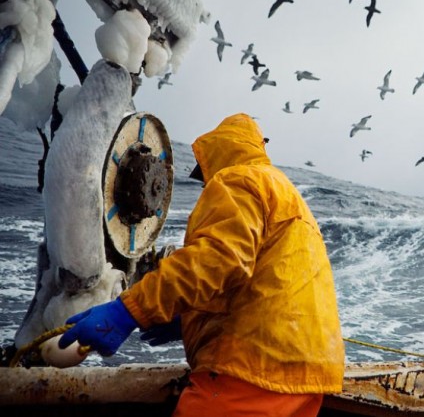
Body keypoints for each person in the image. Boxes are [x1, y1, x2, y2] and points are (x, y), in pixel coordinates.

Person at [59, 113, 345, 416]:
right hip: (307, 375)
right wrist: (191, 317)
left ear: (217, 152)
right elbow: (267, 279)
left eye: (204, 173)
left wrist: (127, 311)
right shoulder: (286, 194)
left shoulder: (238, 179)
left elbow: (218, 259)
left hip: (252, 370)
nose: (205, 183)